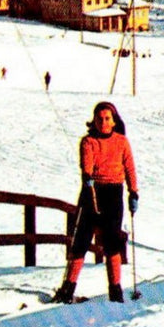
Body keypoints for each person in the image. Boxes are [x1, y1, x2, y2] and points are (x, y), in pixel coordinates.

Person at [54, 101, 139, 304]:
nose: (103, 122)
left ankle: (115, 290)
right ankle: (68, 289)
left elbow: (130, 168)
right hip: (91, 191)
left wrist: (133, 192)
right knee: (81, 240)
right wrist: (88, 176)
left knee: (112, 243)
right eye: (99, 119)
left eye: (107, 118)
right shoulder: (88, 141)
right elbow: (87, 162)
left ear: (114, 120)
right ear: (94, 121)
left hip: (113, 194)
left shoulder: (122, 142)